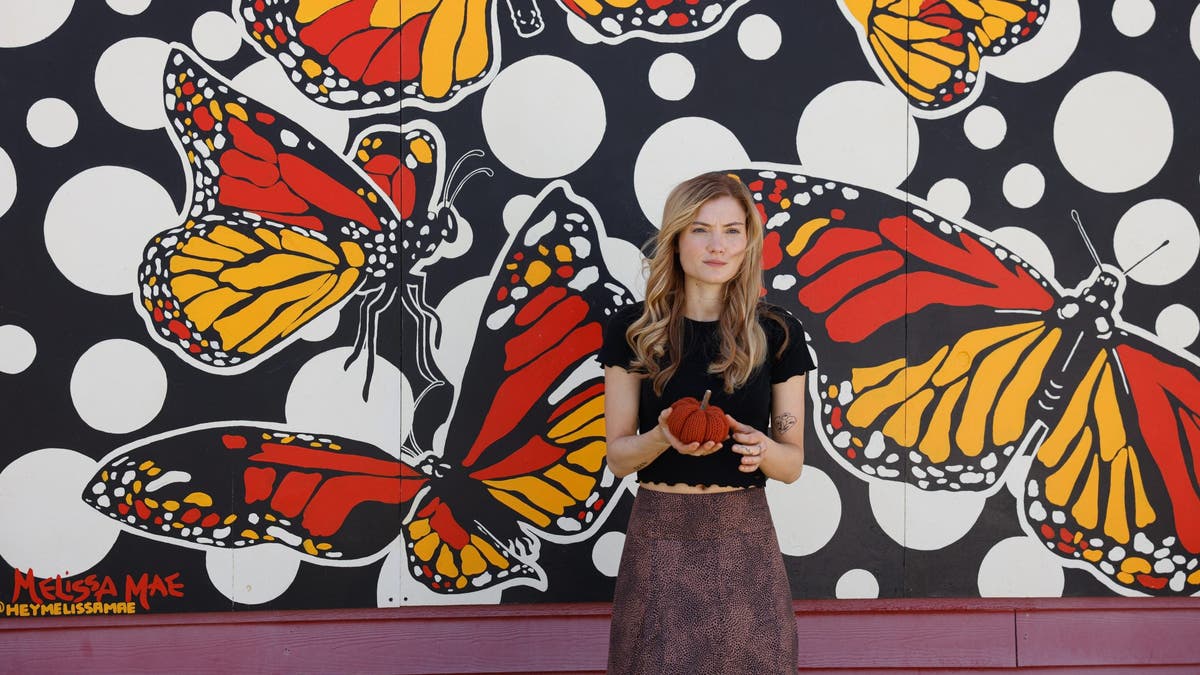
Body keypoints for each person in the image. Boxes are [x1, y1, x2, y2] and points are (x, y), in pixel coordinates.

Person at [600, 172, 814, 674]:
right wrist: (661, 436)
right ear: (675, 239)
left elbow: (792, 463)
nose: (718, 245)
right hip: (659, 540)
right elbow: (618, 457)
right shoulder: (634, 332)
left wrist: (762, 449)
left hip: (746, 545)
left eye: (732, 230)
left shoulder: (777, 333)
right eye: (700, 229)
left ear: (748, 242)